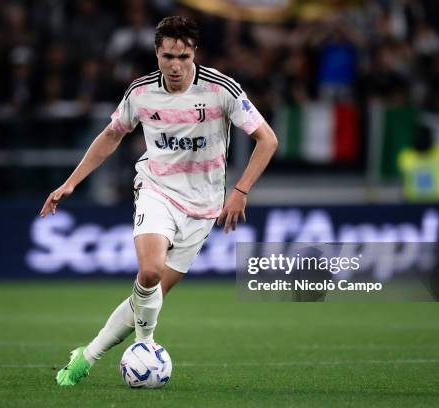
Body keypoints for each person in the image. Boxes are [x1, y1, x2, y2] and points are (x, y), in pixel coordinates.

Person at [39, 16, 278, 386]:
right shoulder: (141, 92)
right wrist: (71, 182)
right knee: (149, 271)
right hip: (156, 190)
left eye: (183, 56)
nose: (175, 65)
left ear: (194, 52)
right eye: (168, 56)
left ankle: (85, 356)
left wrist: (241, 190)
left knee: (151, 295)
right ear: (157, 53)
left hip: (203, 206)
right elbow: (111, 136)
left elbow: (268, 140)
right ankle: (144, 345)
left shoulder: (221, 90)